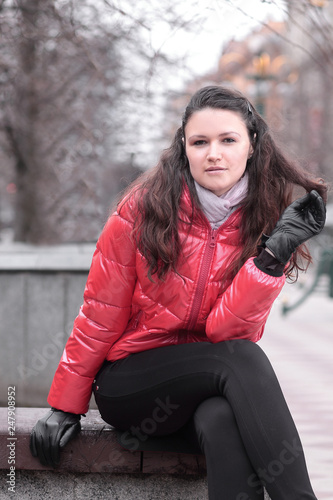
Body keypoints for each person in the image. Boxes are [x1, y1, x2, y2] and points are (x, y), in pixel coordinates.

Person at [30, 86, 327, 499]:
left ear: (252, 145)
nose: (213, 154)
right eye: (200, 142)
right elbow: (100, 313)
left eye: (228, 140)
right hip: (131, 383)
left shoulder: (264, 218)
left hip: (207, 385)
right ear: (183, 148)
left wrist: (271, 257)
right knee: (244, 359)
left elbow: (227, 332)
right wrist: (65, 404)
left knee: (223, 418)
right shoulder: (143, 209)